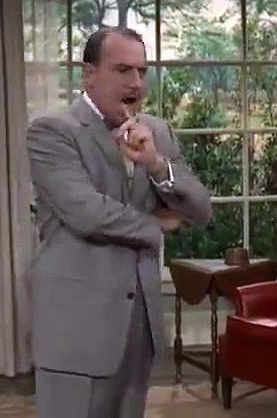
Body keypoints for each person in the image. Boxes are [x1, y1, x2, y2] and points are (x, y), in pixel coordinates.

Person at [26, 27, 212, 418]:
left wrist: (156, 164)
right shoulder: (53, 131)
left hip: (137, 325)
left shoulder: (156, 132)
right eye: (123, 70)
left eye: (142, 71)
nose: (136, 83)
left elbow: (200, 209)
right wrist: (156, 225)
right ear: (89, 74)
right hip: (77, 326)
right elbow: (87, 214)